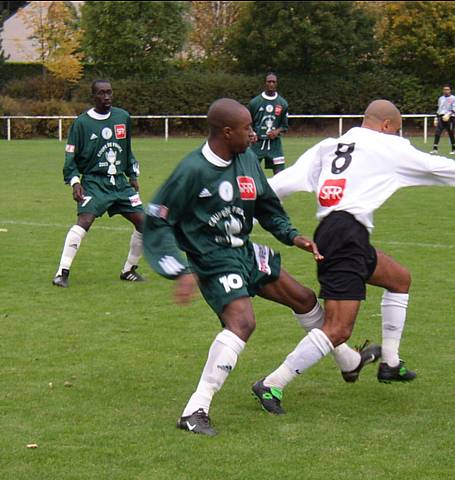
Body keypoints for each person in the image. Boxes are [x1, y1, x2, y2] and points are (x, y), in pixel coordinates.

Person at [143, 98, 379, 437]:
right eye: (247, 129)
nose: (253, 135)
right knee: (242, 322)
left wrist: (292, 235)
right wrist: (178, 270)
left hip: (246, 251)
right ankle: (195, 409)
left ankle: (349, 363)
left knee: (304, 299)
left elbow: (268, 207)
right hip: (213, 258)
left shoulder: (247, 159)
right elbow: (157, 219)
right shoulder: (193, 171)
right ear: (226, 132)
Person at [252, 99, 455, 415]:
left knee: (399, 279)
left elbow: (285, 181)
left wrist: (247, 212)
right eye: (396, 131)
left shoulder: (329, 145)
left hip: (341, 231)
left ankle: (390, 362)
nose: (396, 136)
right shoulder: (387, 145)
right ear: (386, 126)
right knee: (338, 329)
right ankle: (273, 383)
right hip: (345, 236)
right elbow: (431, 166)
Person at [52, 80, 145, 288]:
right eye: (101, 93)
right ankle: (62, 272)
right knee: (84, 222)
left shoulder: (123, 117)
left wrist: (133, 175)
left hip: (119, 182)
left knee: (145, 223)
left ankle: (128, 270)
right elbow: (70, 158)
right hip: (94, 182)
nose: (107, 97)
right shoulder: (82, 123)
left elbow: (127, 149)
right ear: (93, 96)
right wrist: (75, 182)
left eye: (109, 93)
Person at [248, 72, 289, 175]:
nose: (271, 84)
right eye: (269, 81)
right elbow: (247, 122)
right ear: (265, 83)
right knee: (250, 172)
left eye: (273, 82)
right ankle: (255, 191)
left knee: (280, 174)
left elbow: (284, 126)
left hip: (274, 145)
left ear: (276, 84)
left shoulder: (282, 103)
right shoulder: (255, 102)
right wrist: (251, 132)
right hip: (257, 143)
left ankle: (276, 191)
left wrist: (276, 131)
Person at [431, 83, 455, 155]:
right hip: (441, 117)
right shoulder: (441, 98)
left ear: (450, 90)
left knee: (450, 132)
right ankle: (435, 149)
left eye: (447, 89)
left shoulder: (454, 98)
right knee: (437, 132)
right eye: (444, 90)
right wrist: (436, 117)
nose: (446, 91)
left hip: (450, 117)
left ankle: (454, 149)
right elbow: (439, 109)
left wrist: (449, 114)